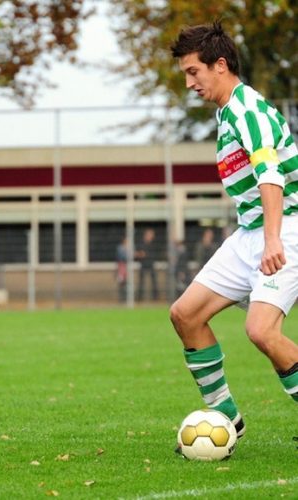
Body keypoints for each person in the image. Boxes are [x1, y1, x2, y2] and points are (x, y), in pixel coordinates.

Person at [170, 21, 298, 448]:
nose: (190, 82)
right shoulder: (227, 113)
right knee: (185, 315)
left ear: (220, 65)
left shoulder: (248, 109)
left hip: (287, 227)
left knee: (262, 331)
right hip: (251, 232)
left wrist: (274, 240)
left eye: (194, 72)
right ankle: (227, 418)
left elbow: (270, 173)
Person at [135, 228, 159, 301]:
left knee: (154, 281)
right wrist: (140, 254)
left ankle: (155, 298)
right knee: (141, 281)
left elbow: (156, 254)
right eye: (150, 234)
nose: (152, 236)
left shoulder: (153, 244)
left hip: (151, 264)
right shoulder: (141, 243)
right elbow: (136, 254)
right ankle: (139, 298)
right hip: (143, 264)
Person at [115, 236, 129, 303]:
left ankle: (127, 298)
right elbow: (122, 257)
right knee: (121, 282)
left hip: (126, 267)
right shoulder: (120, 248)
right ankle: (121, 299)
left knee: (127, 282)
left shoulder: (129, 248)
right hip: (121, 267)